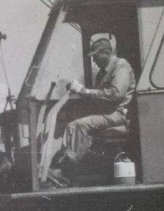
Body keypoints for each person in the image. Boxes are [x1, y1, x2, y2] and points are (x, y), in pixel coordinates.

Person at [49, 38, 136, 185]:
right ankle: (65, 163)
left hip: (119, 114)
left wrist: (83, 90)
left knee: (77, 125)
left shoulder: (121, 67)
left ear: (107, 53)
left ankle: (66, 170)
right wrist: (79, 90)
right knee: (72, 122)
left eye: (96, 56)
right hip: (108, 112)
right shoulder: (104, 72)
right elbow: (98, 94)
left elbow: (116, 94)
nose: (94, 61)